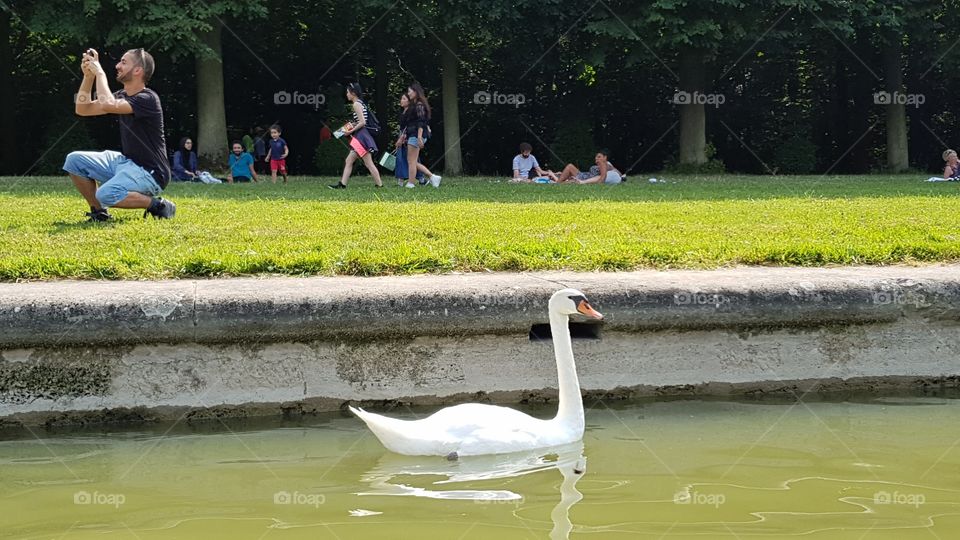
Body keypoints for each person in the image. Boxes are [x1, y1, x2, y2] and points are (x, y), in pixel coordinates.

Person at [63, 47, 175, 221]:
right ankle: (99, 213)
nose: (117, 66)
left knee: (105, 194)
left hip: (150, 173)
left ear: (137, 70)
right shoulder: (122, 95)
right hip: (126, 162)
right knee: (74, 160)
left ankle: (158, 205)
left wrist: (99, 73)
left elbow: (108, 104)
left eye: (123, 62)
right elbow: (82, 108)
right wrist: (88, 76)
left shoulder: (148, 99)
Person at [329, 82, 384, 189]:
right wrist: (351, 126)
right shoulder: (360, 103)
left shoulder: (356, 104)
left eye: (348, 92)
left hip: (361, 137)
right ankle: (342, 184)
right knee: (349, 160)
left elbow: (363, 122)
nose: (347, 94)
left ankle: (379, 185)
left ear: (353, 93)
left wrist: (350, 131)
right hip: (361, 136)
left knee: (368, 163)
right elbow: (360, 121)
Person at [395, 92, 441, 186]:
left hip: (413, 136)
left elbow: (418, 124)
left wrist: (403, 138)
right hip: (409, 136)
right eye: (401, 99)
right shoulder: (405, 112)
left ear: (409, 101)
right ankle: (428, 178)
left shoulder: (412, 111)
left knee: (411, 161)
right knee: (412, 161)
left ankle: (414, 182)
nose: (401, 101)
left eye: (404, 99)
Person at [556, 149, 624, 185]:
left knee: (570, 166)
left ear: (605, 157)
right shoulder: (605, 165)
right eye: (596, 157)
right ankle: (559, 182)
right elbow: (618, 172)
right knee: (570, 166)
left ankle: (558, 183)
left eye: (599, 157)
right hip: (584, 175)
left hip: (586, 178)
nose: (596, 158)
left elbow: (610, 172)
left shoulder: (605, 164)